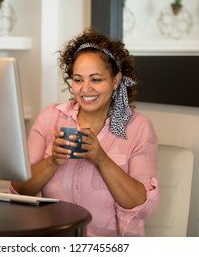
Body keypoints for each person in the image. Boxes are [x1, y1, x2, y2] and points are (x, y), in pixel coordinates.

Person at [10, 27, 159, 237]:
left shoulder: (138, 127)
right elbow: (18, 190)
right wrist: (52, 161)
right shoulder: (50, 118)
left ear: (115, 80)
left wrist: (102, 159)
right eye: (78, 79)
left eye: (96, 79)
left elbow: (143, 206)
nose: (85, 88)